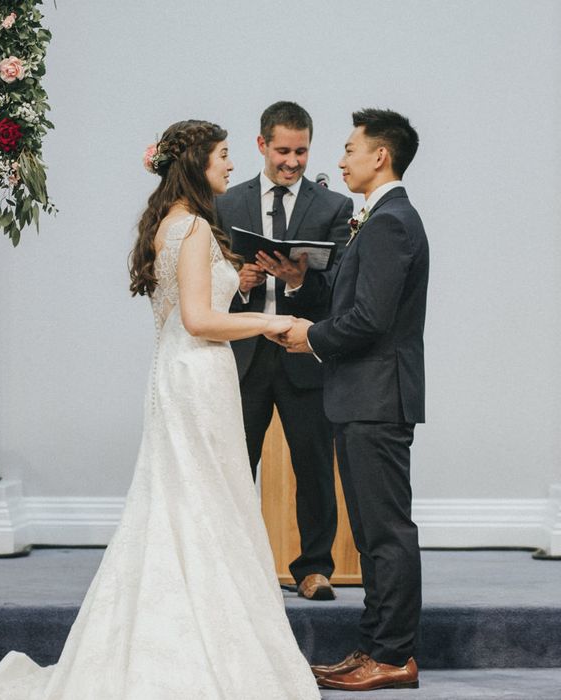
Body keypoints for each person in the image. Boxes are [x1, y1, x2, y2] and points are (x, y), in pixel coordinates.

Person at [0, 120, 321, 700]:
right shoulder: (195, 229)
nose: (231, 167)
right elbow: (198, 321)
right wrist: (270, 319)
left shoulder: (168, 224)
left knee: (185, 504)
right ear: (198, 164)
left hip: (176, 374)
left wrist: (238, 281)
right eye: (224, 156)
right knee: (210, 505)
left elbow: (188, 307)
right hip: (199, 374)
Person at [275, 108, 428, 691]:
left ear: (379, 156)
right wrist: (298, 280)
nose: (339, 161)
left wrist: (308, 336)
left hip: (376, 397)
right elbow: (349, 297)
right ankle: (374, 646)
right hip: (360, 396)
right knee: (370, 534)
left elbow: (370, 318)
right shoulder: (378, 217)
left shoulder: (390, 222)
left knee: (385, 533)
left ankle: (394, 655)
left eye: (348, 148)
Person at [216, 101, 353, 600]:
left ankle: (314, 568)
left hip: (304, 356)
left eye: (301, 151)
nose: (292, 161)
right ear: (261, 146)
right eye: (282, 151)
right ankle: (234, 566)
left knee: (314, 464)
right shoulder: (228, 204)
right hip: (246, 356)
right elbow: (206, 283)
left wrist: (299, 282)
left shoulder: (334, 208)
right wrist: (239, 280)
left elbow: (339, 288)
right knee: (235, 465)